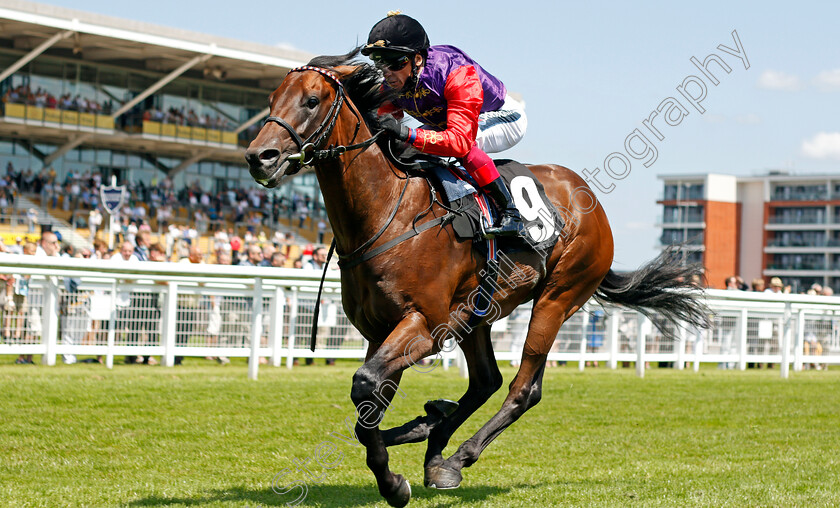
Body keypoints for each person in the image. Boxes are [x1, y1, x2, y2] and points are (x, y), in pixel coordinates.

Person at [362, 12, 528, 237]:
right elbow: (383, 127)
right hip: (451, 125)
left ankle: (512, 214)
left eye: (395, 63)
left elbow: (459, 142)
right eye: (380, 64)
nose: (388, 73)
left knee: (462, 148)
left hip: (504, 117)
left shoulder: (457, 73)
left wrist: (404, 132)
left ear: (417, 59)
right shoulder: (393, 84)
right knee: (403, 147)